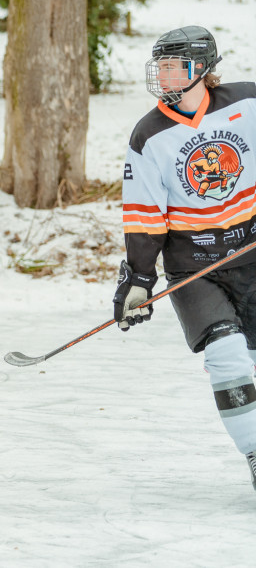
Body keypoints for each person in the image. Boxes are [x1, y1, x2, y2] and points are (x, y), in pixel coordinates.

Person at [115, 25, 256, 491]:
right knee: (228, 359)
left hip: (252, 254)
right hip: (195, 269)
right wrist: (138, 278)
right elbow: (144, 216)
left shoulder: (247, 103)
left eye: (174, 65)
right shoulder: (149, 135)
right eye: (161, 65)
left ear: (203, 70)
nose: (164, 74)